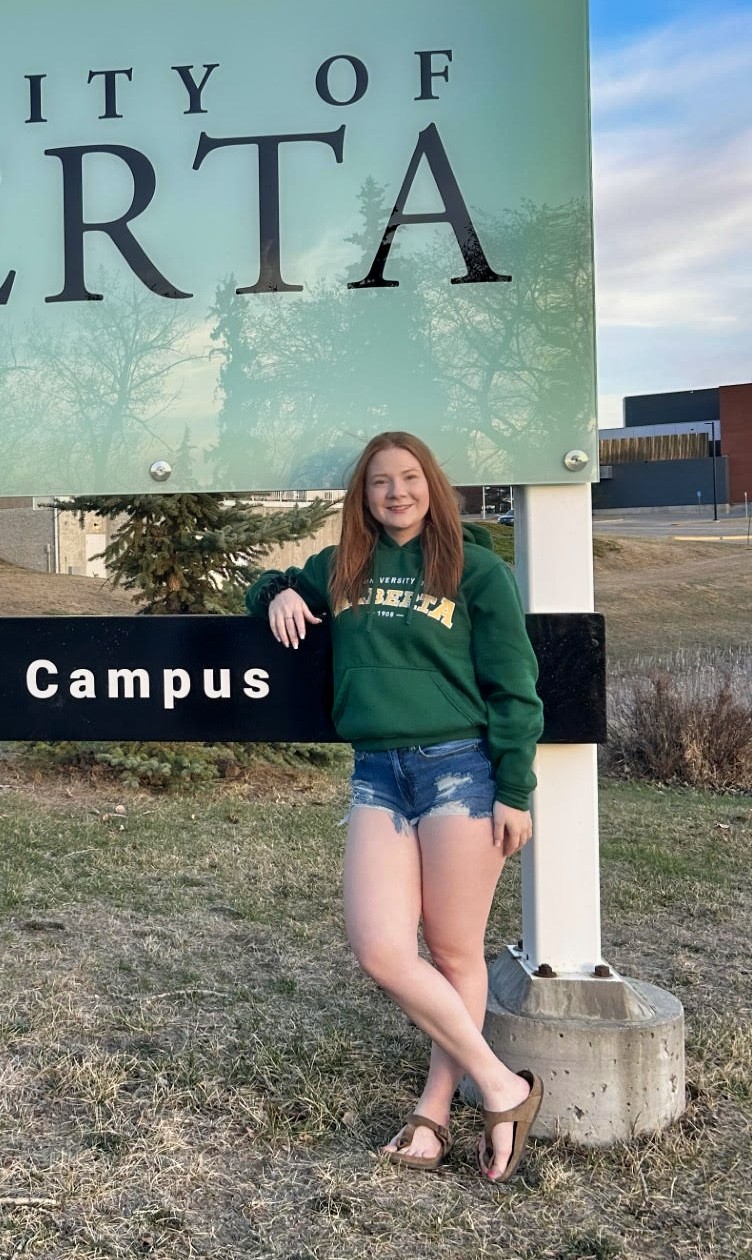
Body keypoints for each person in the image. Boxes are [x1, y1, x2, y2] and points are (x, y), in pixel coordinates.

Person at [246, 431, 545, 1182]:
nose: (396, 493)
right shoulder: (343, 569)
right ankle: (505, 1087)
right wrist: (278, 591)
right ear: (364, 496)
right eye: (380, 482)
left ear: (431, 485)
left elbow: (515, 689)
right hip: (377, 771)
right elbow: (261, 588)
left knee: (451, 951)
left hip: (460, 772)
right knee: (381, 949)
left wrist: (514, 790)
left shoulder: (476, 571)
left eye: (409, 478)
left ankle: (435, 1114)